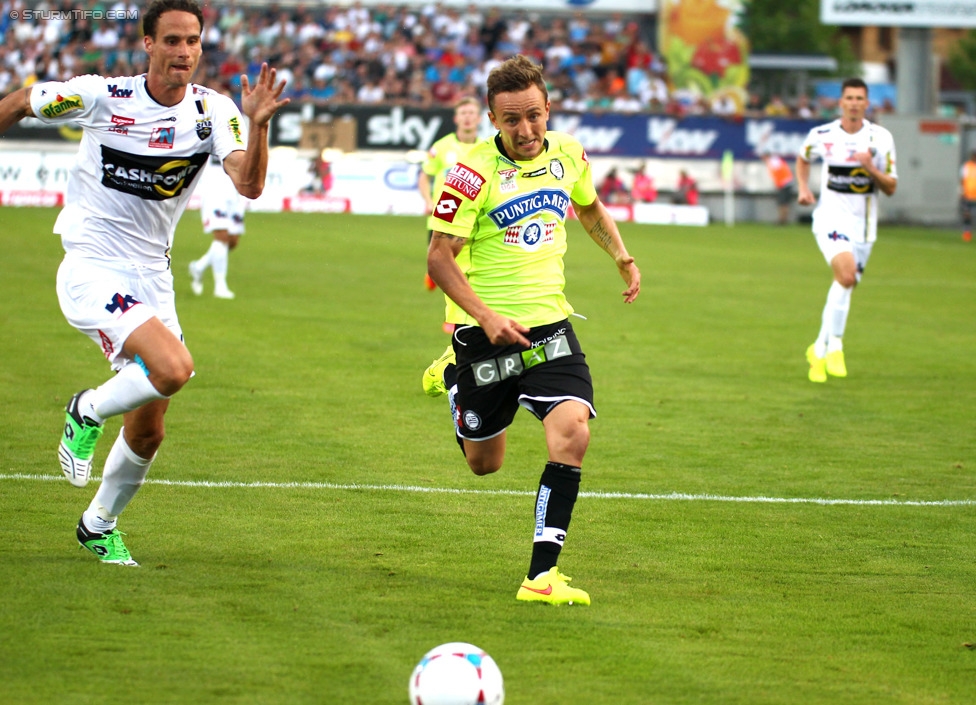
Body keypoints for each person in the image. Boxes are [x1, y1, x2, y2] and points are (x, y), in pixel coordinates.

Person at [0, 0, 288, 565]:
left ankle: (98, 524)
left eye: (193, 41)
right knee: (175, 367)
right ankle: (85, 409)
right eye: (173, 40)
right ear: (148, 45)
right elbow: (18, 103)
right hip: (91, 264)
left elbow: (248, 185)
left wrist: (258, 126)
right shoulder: (101, 96)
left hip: (152, 275)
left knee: (150, 429)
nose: (184, 51)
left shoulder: (215, 112)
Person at [424, 55, 641, 606]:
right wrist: (488, 317)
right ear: (494, 120)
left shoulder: (569, 152)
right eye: (512, 120)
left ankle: (540, 575)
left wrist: (620, 254)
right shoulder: (469, 172)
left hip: (550, 328)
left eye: (534, 116)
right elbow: (439, 258)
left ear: (549, 109)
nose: (526, 130)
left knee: (573, 432)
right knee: (483, 462)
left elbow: (588, 208)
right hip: (485, 336)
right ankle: (454, 378)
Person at [796, 77, 897, 383]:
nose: (854, 103)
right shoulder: (822, 135)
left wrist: (870, 168)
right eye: (849, 98)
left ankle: (819, 348)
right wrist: (803, 187)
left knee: (844, 285)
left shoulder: (880, 139)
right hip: (831, 219)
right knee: (846, 276)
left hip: (864, 226)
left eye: (859, 98)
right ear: (840, 102)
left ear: (867, 104)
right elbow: (803, 158)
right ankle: (837, 346)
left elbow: (891, 187)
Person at [418, 96, 482, 293]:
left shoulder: (486, 150)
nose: (467, 118)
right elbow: (424, 177)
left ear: (479, 118)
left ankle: (453, 321)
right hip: (442, 219)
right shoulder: (441, 147)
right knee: (447, 271)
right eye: (463, 113)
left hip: (474, 220)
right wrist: (428, 202)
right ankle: (433, 276)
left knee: (467, 273)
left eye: (471, 113)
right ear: (456, 119)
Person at [189, 155, 247, 299]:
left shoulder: (246, 132)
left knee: (232, 240)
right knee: (222, 236)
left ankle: (198, 267)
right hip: (214, 188)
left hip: (235, 188)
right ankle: (220, 286)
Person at [761, 151, 795, 225]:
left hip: (784, 184)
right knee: (784, 202)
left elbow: (779, 173)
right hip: (786, 183)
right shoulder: (775, 161)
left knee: (782, 202)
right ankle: (783, 219)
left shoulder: (774, 162)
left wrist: (779, 183)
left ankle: (782, 220)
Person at [960, 150, 976, 242]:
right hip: (968, 195)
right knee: (967, 214)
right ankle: (967, 233)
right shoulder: (966, 166)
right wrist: (961, 191)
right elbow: (962, 179)